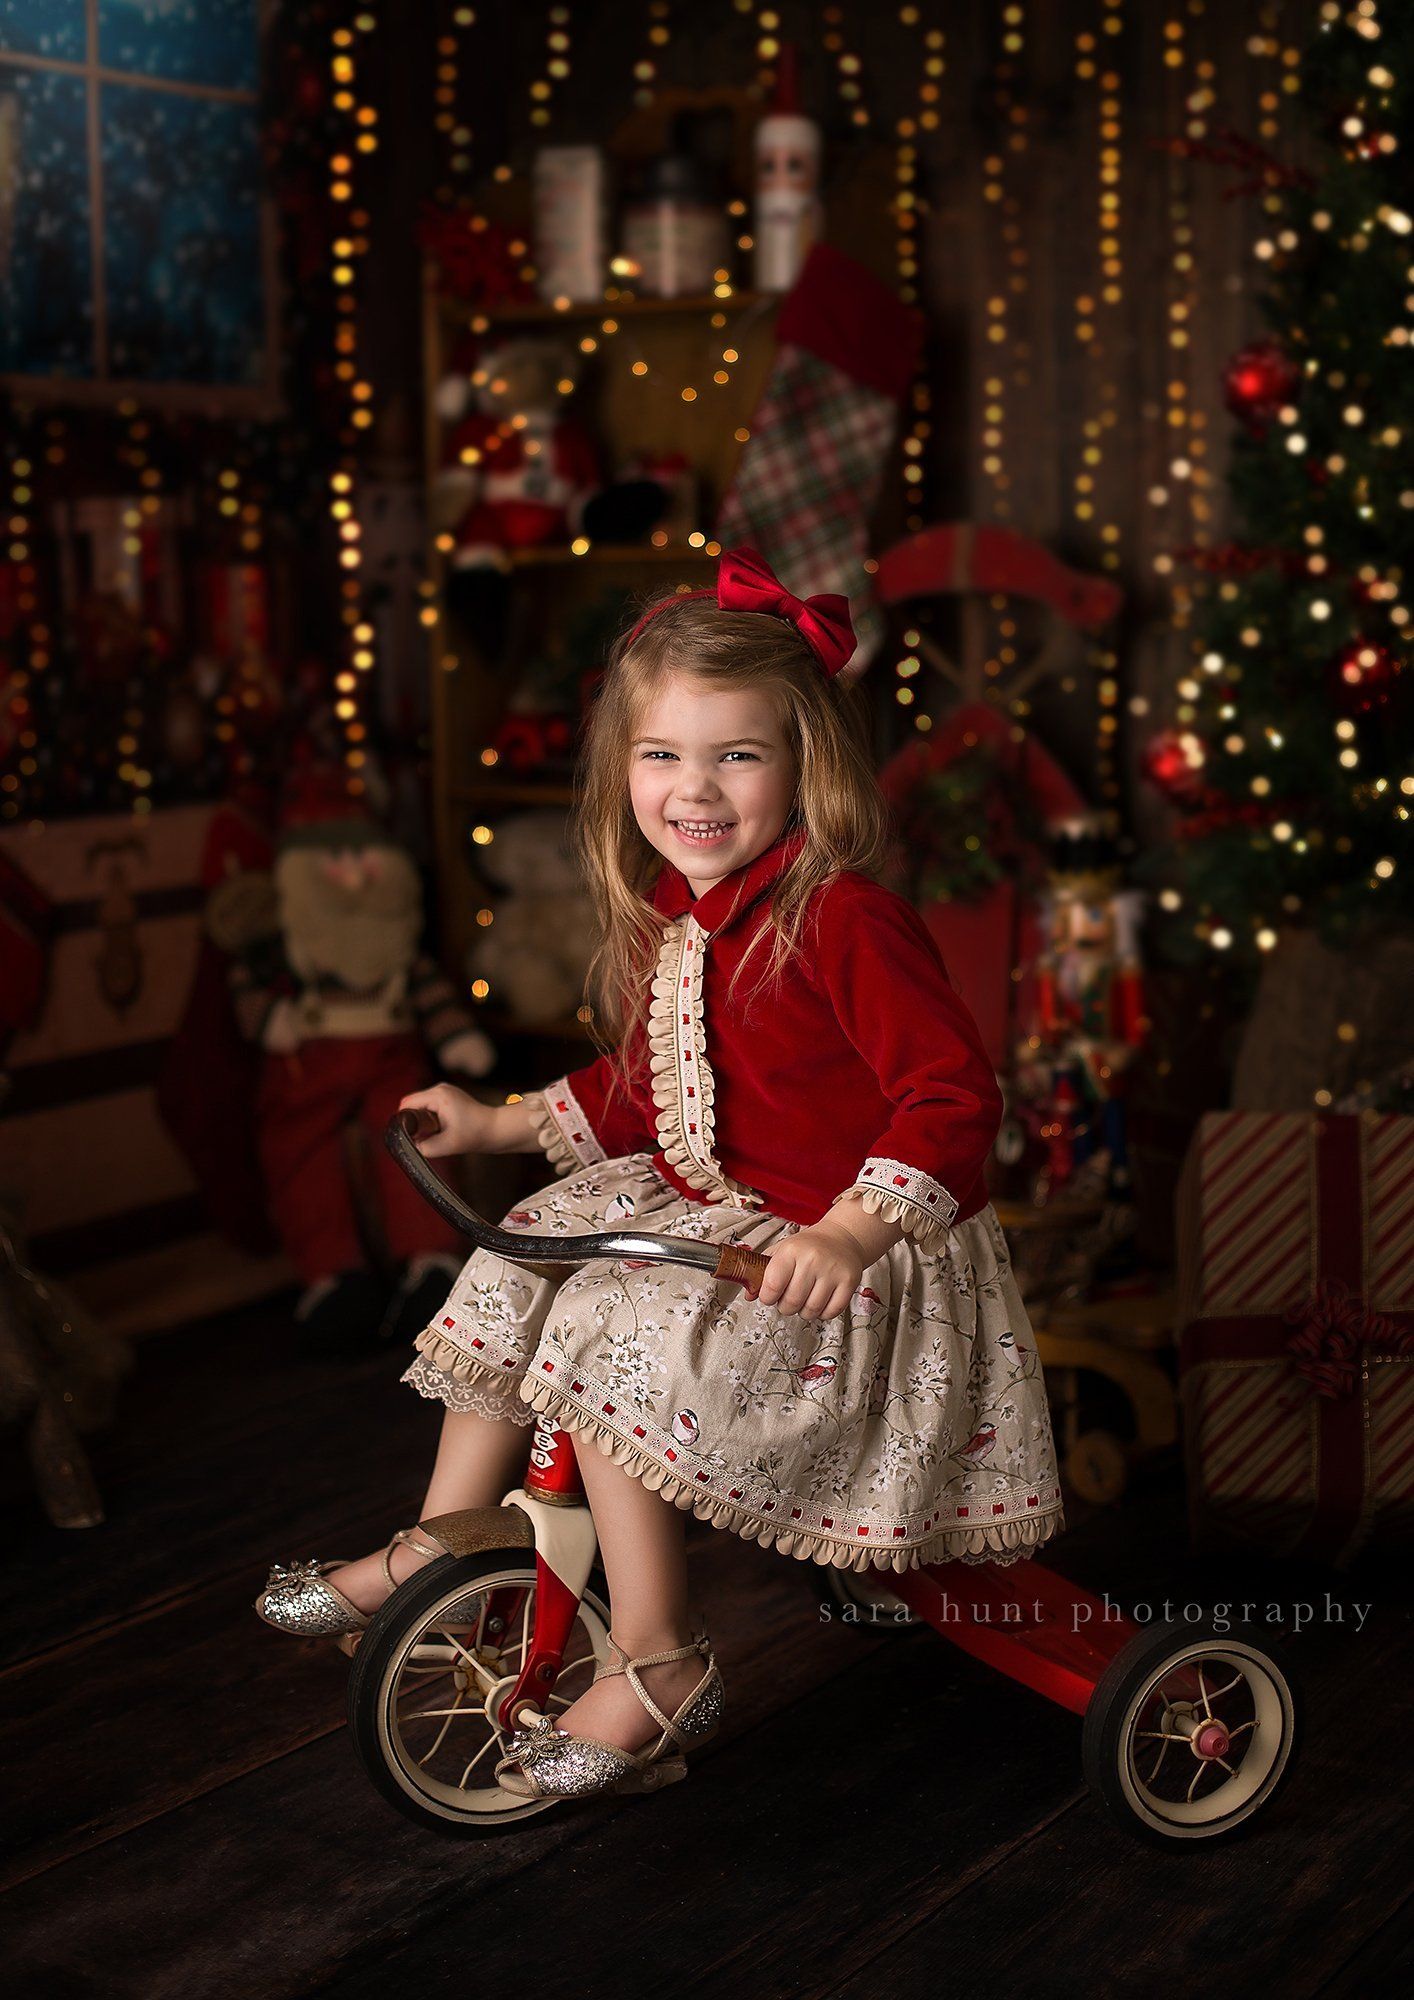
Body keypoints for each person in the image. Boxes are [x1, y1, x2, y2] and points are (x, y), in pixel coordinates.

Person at [256, 545, 1065, 1802]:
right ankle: (438, 1543)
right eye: (662, 754)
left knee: (608, 1334)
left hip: (846, 1263)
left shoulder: (839, 916)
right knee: (533, 1238)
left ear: (803, 765)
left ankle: (658, 1654)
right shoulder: (681, 911)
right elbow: (642, 1089)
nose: (695, 787)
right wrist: (493, 1118)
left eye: (736, 754)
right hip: (727, 1213)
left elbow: (953, 1098)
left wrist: (853, 1229)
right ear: (622, 767)